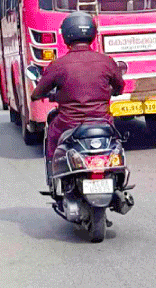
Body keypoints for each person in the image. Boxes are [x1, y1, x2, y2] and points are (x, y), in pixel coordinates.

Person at [31, 11, 125, 174]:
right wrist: (112, 91)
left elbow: (38, 92)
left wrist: (40, 95)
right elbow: (119, 86)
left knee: (52, 135)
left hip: (68, 123)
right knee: (116, 142)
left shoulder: (59, 65)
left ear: (66, 35)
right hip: (102, 122)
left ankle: (54, 176)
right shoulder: (106, 61)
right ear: (92, 34)